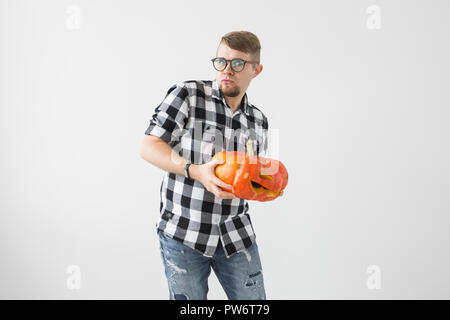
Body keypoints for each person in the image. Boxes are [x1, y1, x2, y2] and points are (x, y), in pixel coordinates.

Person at [141, 31, 270, 300]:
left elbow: (248, 180)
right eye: (221, 61)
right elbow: (149, 146)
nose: (227, 70)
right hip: (184, 232)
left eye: (238, 64)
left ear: (256, 70)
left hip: (236, 235)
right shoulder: (187, 95)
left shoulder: (258, 120)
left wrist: (264, 188)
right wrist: (196, 170)